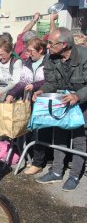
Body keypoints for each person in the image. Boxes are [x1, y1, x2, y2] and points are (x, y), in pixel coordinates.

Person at [33, 27, 87, 191]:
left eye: (51, 43)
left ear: (63, 44)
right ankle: (56, 172)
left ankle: (74, 175)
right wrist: (43, 90)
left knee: (79, 140)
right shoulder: (51, 58)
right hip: (62, 101)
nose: (47, 46)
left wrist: (78, 96)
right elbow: (52, 83)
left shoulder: (84, 56)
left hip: (83, 102)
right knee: (59, 135)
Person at [6, 37, 50, 175]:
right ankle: (30, 157)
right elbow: (22, 82)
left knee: (40, 132)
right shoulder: (28, 62)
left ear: (41, 50)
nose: (28, 53)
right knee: (29, 131)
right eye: (28, 50)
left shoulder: (48, 62)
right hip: (29, 101)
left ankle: (38, 162)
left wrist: (36, 85)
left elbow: (50, 80)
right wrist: (12, 93)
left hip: (43, 101)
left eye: (31, 51)